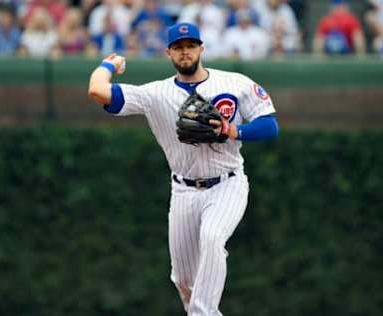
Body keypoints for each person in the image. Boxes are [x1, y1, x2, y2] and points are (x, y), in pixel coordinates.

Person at [87, 22, 279, 316]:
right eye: (178, 47)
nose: (185, 52)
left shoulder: (235, 83)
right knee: (184, 280)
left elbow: (269, 125)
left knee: (213, 238)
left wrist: (232, 130)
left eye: (190, 46)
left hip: (227, 184)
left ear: (201, 48)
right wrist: (107, 64)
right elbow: (97, 91)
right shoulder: (155, 94)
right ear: (168, 53)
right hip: (184, 190)